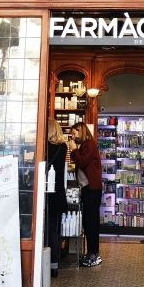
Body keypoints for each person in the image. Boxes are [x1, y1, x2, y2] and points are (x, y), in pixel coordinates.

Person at [68, 122, 102, 267]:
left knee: (91, 223)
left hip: (92, 189)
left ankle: (93, 255)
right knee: (89, 223)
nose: (72, 136)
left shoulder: (89, 144)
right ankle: (91, 254)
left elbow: (82, 162)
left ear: (81, 131)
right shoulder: (85, 145)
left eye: (75, 133)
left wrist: (74, 150)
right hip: (88, 189)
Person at [46, 118, 67, 278]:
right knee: (55, 230)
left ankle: (42, 262)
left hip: (45, 191)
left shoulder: (44, 146)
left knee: (44, 228)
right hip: (58, 192)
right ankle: (54, 264)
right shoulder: (63, 147)